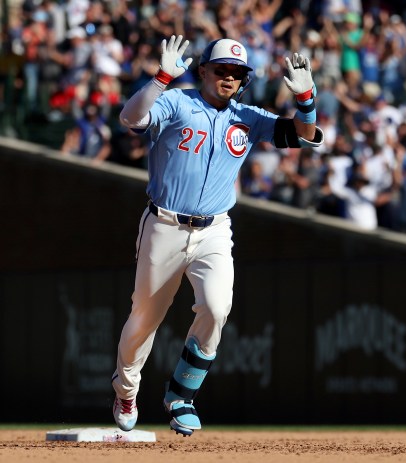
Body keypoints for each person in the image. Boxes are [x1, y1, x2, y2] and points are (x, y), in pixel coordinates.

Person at [111, 35, 323, 436]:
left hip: (215, 229)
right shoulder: (177, 100)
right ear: (203, 69)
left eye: (237, 73)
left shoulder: (246, 116)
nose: (228, 77)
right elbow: (130, 118)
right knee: (144, 319)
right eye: (221, 69)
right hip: (165, 224)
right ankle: (125, 388)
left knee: (216, 307)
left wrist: (307, 97)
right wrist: (159, 79)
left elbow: (304, 135)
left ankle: (181, 396)